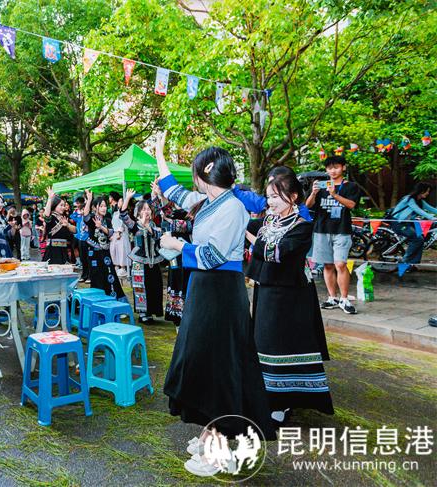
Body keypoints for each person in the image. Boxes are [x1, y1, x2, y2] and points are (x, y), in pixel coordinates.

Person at [156, 136, 275, 475]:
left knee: (217, 366)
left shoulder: (233, 207)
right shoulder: (209, 200)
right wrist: (159, 154)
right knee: (200, 361)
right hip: (204, 290)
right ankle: (211, 435)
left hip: (221, 293)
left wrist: (177, 245)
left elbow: (212, 256)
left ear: (203, 174)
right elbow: (172, 190)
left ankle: (219, 448)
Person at [245, 172, 333, 425]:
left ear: (293, 197)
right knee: (263, 343)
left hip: (290, 297)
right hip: (265, 291)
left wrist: (250, 238)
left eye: (275, 196)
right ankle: (266, 396)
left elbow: (276, 253)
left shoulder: (302, 225)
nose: (270, 201)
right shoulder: (268, 221)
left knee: (281, 345)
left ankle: (282, 402)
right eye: (268, 196)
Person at [305, 155, 362, 314]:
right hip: (321, 230)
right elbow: (307, 206)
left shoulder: (351, 186)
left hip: (342, 231)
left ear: (343, 167)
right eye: (330, 168)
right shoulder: (320, 186)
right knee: (327, 265)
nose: (333, 171)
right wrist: (313, 193)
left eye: (336, 167)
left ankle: (344, 298)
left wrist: (335, 194)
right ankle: (332, 297)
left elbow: (351, 205)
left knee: (341, 264)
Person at [120, 189, 165, 323]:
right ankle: (143, 313)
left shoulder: (154, 225)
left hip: (154, 260)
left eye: (148, 209)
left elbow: (158, 236)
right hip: (139, 261)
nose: (147, 211)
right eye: (143, 209)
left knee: (155, 286)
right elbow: (123, 215)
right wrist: (127, 198)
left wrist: (156, 193)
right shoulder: (135, 225)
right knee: (141, 287)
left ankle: (152, 311)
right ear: (138, 212)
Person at [83, 190, 126, 300]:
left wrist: (101, 226)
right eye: (101, 206)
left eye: (105, 206)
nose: (104, 208)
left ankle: (112, 299)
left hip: (105, 253)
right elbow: (85, 215)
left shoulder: (107, 219)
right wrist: (89, 200)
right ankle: (98, 301)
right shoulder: (92, 218)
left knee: (109, 274)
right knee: (96, 275)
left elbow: (111, 233)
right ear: (95, 208)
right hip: (94, 254)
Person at [389, 183, 437, 266]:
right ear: (421, 190)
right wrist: (432, 218)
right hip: (398, 223)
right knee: (417, 239)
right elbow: (418, 210)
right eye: (427, 191)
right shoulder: (409, 199)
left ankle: (412, 264)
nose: (428, 193)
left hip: (408, 223)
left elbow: (432, 209)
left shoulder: (421, 201)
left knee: (421, 239)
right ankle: (404, 262)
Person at [42, 190, 76, 264]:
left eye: (64, 205)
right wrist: (50, 198)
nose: (63, 207)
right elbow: (46, 215)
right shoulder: (51, 218)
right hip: (53, 252)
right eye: (61, 205)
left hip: (64, 251)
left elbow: (75, 230)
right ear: (54, 206)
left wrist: (68, 225)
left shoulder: (64, 218)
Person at [109, 192, 131, 276]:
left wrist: (119, 232)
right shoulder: (115, 212)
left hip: (121, 233)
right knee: (114, 250)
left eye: (121, 201)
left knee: (122, 250)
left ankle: (123, 267)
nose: (119, 202)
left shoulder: (124, 212)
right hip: (114, 233)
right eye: (119, 201)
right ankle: (116, 266)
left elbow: (123, 223)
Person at [70, 196, 90, 282]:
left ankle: (89, 276)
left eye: (78, 203)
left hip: (87, 238)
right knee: (82, 258)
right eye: (76, 203)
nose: (77, 205)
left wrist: (84, 213)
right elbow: (72, 218)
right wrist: (77, 211)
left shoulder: (87, 213)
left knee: (88, 258)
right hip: (80, 237)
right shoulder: (77, 213)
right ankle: (84, 275)